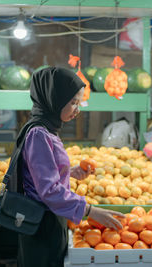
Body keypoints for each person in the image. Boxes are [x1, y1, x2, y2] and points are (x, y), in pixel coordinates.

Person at [16, 67, 125, 267]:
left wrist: (69, 172)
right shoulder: (39, 134)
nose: (78, 109)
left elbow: (41, 174)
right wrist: (91, 210)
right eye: (73, 102)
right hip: (41, 225)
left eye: (79, 102)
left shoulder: (48, 129)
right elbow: (48, 191)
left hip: (51, 218)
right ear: (54, 99)